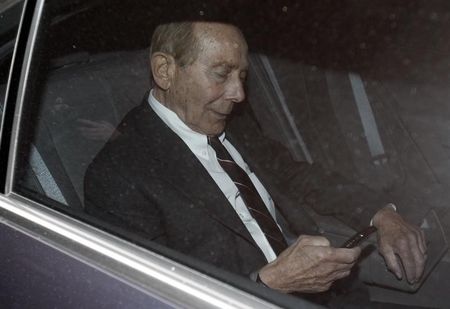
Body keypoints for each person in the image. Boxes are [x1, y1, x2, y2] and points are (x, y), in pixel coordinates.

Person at [84, 21, 426, 295]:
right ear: (164, 71)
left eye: (243, 75)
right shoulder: (118, 174)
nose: (238, 94)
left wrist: (380, 212)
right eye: (221, 74)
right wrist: (269, 284)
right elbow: (153, 297)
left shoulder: (233, 124)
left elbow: (297, 177)